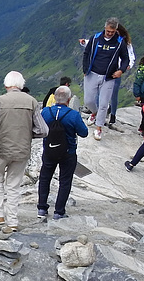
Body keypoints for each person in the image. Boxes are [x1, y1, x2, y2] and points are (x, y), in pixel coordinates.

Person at [0, 71, 48, 231]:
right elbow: (44, 130)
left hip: (0, 150)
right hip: (22, 151)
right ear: (21, 85)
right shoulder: (32, 102)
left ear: (6, 85)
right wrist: (27, 134)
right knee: (14, 185)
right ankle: (12, 222)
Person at [37, 86, 88, 220]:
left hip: (49, 150)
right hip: (68, 152)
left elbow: (39, 128)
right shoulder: (73, 115)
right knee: (65, 181)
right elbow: (84, 133)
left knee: (44, 178)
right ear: (69, 99)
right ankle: (59, 211)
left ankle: (42, 208)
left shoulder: (46, 112)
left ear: (54, 97)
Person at [82, 17, 130, 141]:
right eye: (108, 31)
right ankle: (94, 113)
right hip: (92, 73)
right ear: (105, 28)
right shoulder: (95, 38)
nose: (110, 34)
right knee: (88, 100)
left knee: (104, 103)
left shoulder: (119, 42)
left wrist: (121, 70)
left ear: (116, 30)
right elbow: (86, 53)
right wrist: (85, 69)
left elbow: (126, 59)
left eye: (112, 32)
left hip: (109, 77)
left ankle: (99, 128)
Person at [108, 24, 135, 125]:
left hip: (117, 70)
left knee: (114, 93)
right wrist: (84, 43)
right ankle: (102, 110)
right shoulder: (108, 40)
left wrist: (128, 65)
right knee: (101, 92)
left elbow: (130, 56)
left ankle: (113, 114)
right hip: (106, 69)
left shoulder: (125, 43)